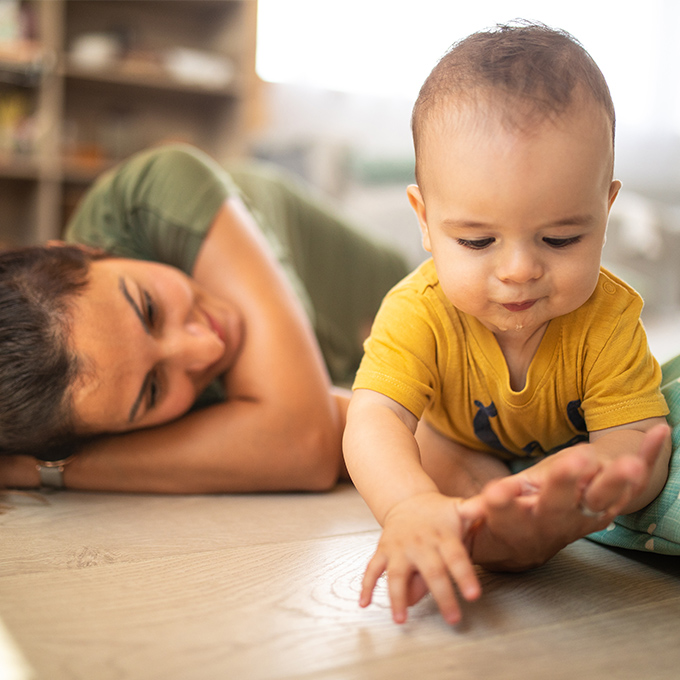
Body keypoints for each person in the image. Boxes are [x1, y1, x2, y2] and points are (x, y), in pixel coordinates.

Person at [343, 21, 673, 626]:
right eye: (476, 241)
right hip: (449, 441)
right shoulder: (418, 309)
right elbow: (372, 418)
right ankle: (488, 523)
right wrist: (409, 505)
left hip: (557, 451)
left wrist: (599, 480)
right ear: (424, 219)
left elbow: (637, 437)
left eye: (561, 238)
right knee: (433, 464)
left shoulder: (610, 316)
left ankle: (525, 517)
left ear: (606, 208)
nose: (519, 270)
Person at [0, 144, 409, 493]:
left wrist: (50, 472)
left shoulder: (155, 189)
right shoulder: (96, 398)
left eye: (150, 309)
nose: (206, 347)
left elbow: (306, 438)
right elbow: (335, 435)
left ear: (82, 251)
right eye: (154, 389)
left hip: (398, 299)